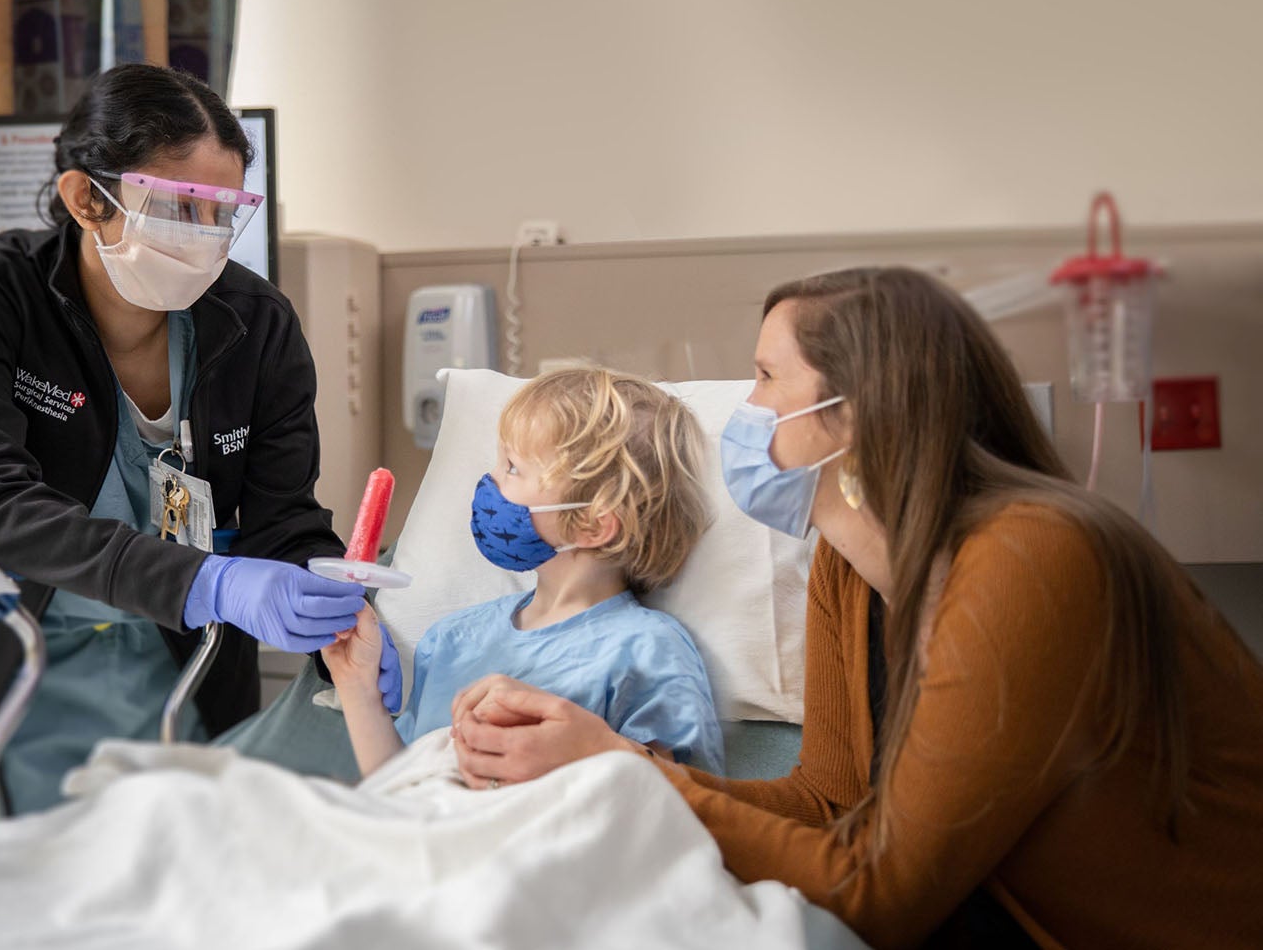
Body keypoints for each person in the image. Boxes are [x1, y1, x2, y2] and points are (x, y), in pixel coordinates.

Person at [450, 268, 1263, 948]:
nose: (746, 409)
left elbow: (882, 890)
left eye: (767, 378)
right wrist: (610, 763)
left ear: (859, 410)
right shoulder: (844, 567)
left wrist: (623, 774)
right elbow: (827, 804)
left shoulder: (1036, 558)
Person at [0, 63, 397, 836]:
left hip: (178, 679)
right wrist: (210, 583)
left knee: (177, 879)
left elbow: (283, 519)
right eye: (179, 206)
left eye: (223, 213)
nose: (206, 238)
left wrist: (337, 628)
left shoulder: (258, 327)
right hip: (12, 678)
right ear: (88, 199)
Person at [322, 367, 724, 778]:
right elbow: (398, 785)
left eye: (512, 468)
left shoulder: (646, 649)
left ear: (592, 523)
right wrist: (356, 684)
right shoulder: (453, 639)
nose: (488, 483)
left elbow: (684, 802)